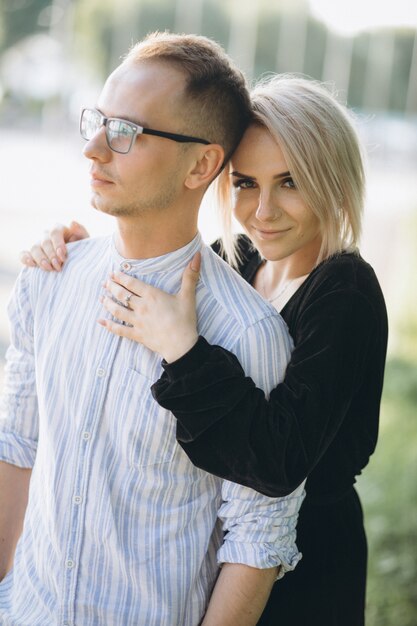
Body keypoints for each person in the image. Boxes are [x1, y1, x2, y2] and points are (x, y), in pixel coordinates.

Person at [26, 74, 389, 626]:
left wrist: (186, 351)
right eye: (245, 183)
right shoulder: (237, 261)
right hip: (219, 559)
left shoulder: (346, 293)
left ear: (333, 181)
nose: (263, 210)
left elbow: (277, 460)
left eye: (290, 182)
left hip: (306, 570)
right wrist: (79, 253)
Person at [0, 34, 307, 626]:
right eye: (99, 120)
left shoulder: (250, 336)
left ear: (202, 164)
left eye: (126, 132)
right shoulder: (47, 279)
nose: (93, 148)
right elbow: (17, 444)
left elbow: (257, 541)